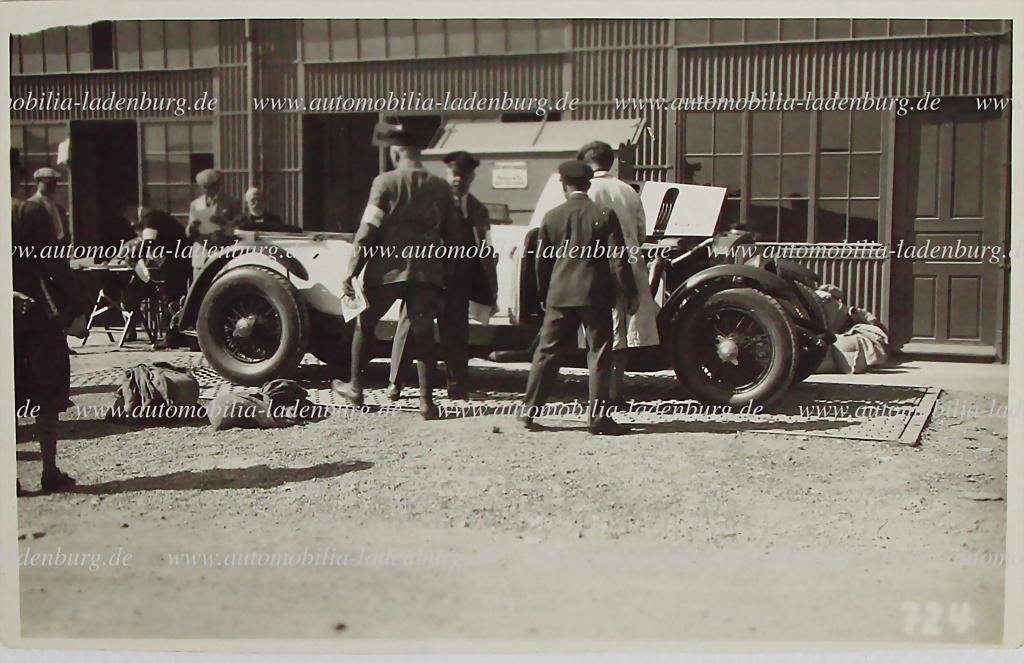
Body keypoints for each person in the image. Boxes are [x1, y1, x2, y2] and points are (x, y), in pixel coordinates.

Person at [331, 129, 455, 420]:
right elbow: (454, 237)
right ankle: (427, 403)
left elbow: (369, 228)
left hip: (388, 269)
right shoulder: (440, 186)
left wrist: (352, 270)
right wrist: (444, 280)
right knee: (423, 333)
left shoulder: (385, 182)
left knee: (365, 323)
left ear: (395, 153)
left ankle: (356, 388)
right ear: (419, 153)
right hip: (426, 270)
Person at [517, 161, 637, 436]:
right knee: (599, 354)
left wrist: (544, 294)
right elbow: (618, 260)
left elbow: (541, 262)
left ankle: (529, 411)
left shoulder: (551, 216)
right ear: (588, 184)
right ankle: (598, 418)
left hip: (560, 294)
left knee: (546, 352)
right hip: (595, 295)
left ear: (563, 185)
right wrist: (629, 293)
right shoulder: (604, 214)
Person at [386, 150, 497, 401]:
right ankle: (396, 383)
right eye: (454, 174)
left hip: (459, 281)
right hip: (426, 277)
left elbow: (486, 249)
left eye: (464, 175)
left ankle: (457, 386)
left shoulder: (478, 209)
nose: (458, 179)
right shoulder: (431, 201)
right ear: (447, 173)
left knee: (456, 333)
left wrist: (491, 287)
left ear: (472, 177)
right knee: (409, 329)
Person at [12, 150, 88, 494]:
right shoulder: (27, 211)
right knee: (46, 388)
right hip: (35, 314)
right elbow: (53, 263)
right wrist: (75, 306)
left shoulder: (47, 209)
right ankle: (48, 470)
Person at [577, 140, 660, 405]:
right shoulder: (628, 191)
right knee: (623, 333)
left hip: (593, 266)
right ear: (610, 162)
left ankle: (597, 392)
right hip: (628, 263)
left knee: (597, 333)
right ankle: (615, 391)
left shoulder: (585, 191)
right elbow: (641, 232)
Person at [187, 169, 241, 277]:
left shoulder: (231, 202)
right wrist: (192, 227)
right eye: (204, 187)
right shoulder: (195, 204)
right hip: (201, 255)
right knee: (200, 285)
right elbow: (189, 233)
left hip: (222, 253)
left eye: (210, 187)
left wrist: (224, 223)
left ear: (217, 185)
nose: (207, 190)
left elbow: (238, 228)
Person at [28, 167, 69, 245]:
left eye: (54, 183)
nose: (51, 186)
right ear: (37, 183)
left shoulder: (58, 208)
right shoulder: (30, 206)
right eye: (47, 183)